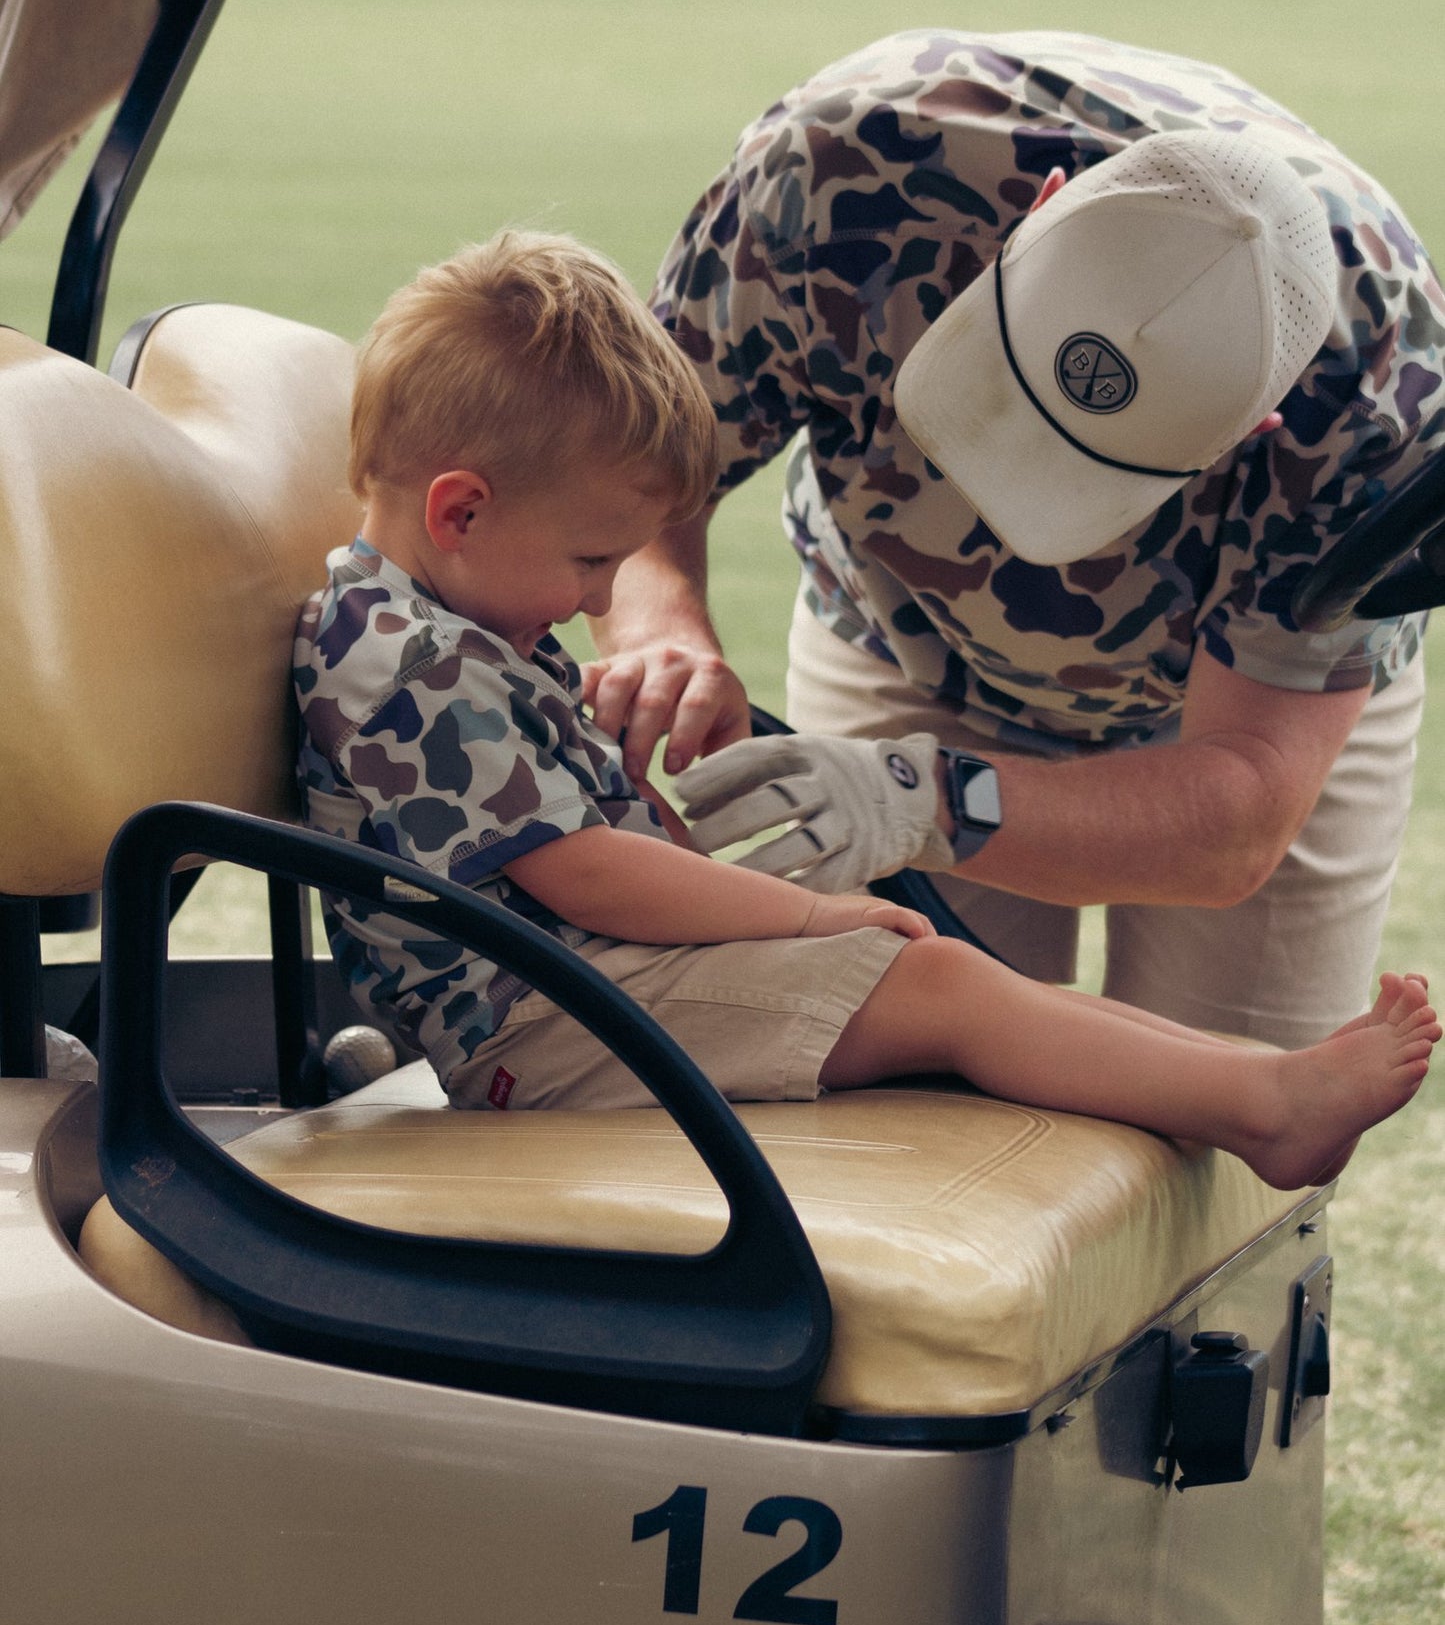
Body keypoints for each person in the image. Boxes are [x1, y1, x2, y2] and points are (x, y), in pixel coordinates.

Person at [292, 229, 1437, 1188]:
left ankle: (1241, 1079)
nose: (601, 598)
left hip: (581, 985)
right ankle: (1261, 1103)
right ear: (460, 510)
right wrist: (801, 916)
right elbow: (582, 872)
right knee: (929, 977)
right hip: (542, 1025)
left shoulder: (443, 629)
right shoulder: (407, 662)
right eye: (591, 559)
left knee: (949, 976)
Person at [583, 31, 1445, 1049]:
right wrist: (659, 628)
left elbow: (1238, 811)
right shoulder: (826, 176)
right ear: (1036, 206)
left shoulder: (1380, 404)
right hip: (903, 643)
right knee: (910, 1091)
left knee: (1240, 1128)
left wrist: (924, 798)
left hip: (1227, 721)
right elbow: (636, 468)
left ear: (1253, 420)